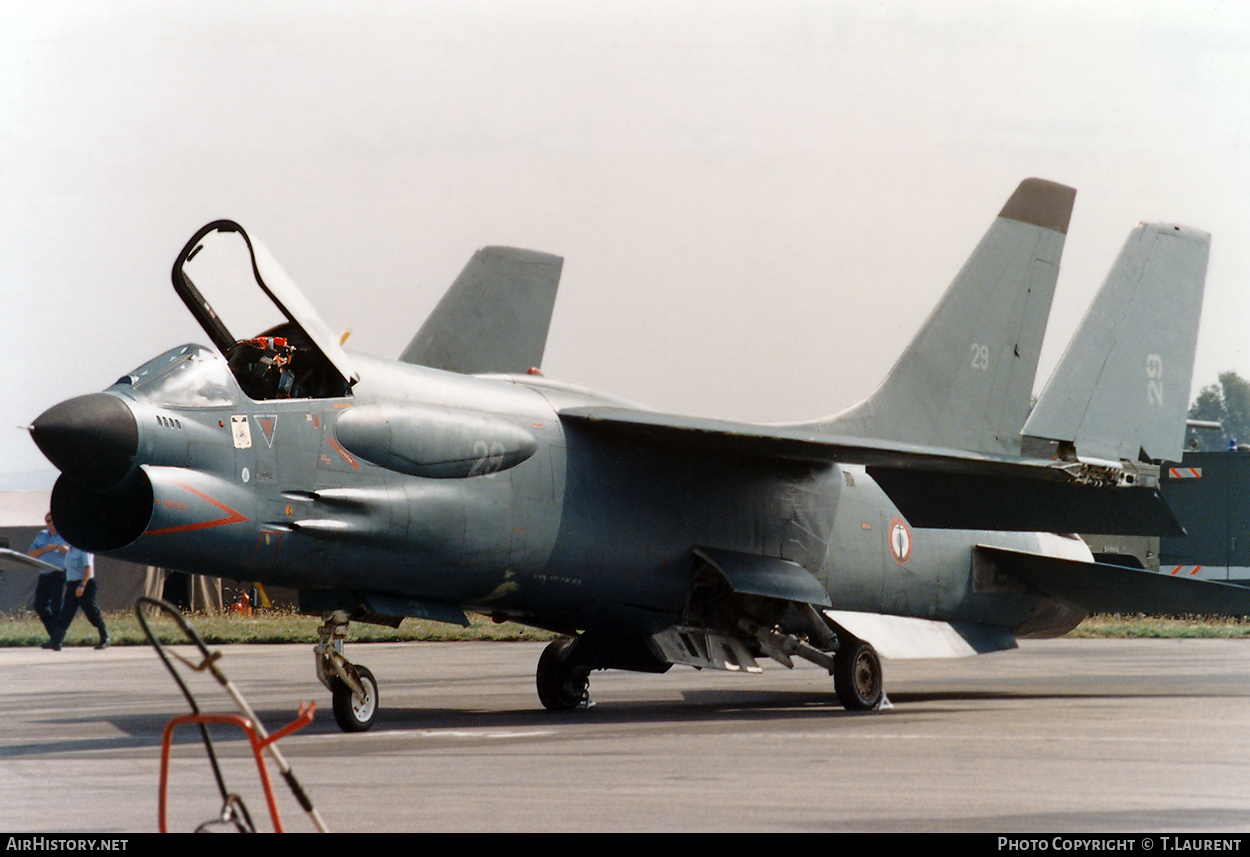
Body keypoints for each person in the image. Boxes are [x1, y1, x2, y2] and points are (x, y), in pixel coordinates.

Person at [46, 546, 109, 651]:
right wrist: (67, 587)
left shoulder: (84, 549)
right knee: (66, 613)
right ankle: (56, 641)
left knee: (91, 612)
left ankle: (105, 638)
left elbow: (88, 568)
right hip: (71, 584)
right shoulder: (70, 550)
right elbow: (69, 570)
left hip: (85, 584)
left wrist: (82, 585)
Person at [27, 513, 69, 640]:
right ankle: (55, 633)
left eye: (52, 521)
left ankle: (56, 638)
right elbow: (31, 553)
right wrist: (45, 549)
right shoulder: (42, 535)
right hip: (45, 573)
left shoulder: (66, 534)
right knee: (39, 605)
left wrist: (66, 550)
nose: (50, 523)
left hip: (59, 573)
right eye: (48, 521)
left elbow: (76, 552)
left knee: (57, 606)